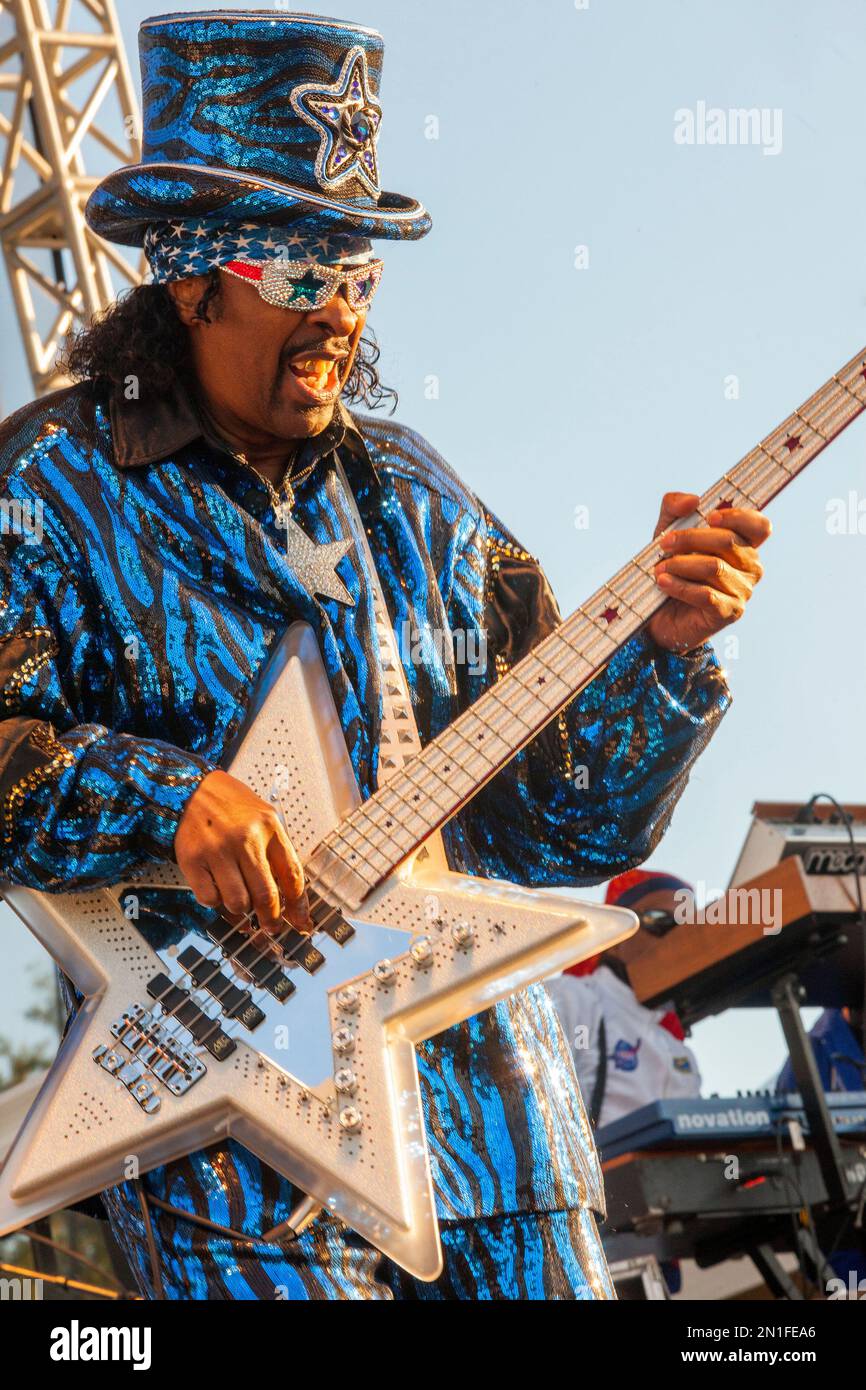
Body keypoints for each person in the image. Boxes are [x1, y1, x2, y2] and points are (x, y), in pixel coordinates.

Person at [0, 12, 770, 1300]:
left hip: (500, 1141)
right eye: (299, 280)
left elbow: (554, 831)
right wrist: (166, 796)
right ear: (190, 281)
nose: (337, 315)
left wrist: (659, 659)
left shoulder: (421, 506)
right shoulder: (46, 486)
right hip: (218, 1157)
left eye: (355, 275)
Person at [546, 870, 702, 1131]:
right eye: (662, 922)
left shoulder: (680, 1052)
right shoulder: (567, 999)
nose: (677, 940)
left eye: (689, 931)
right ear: (615, 938)